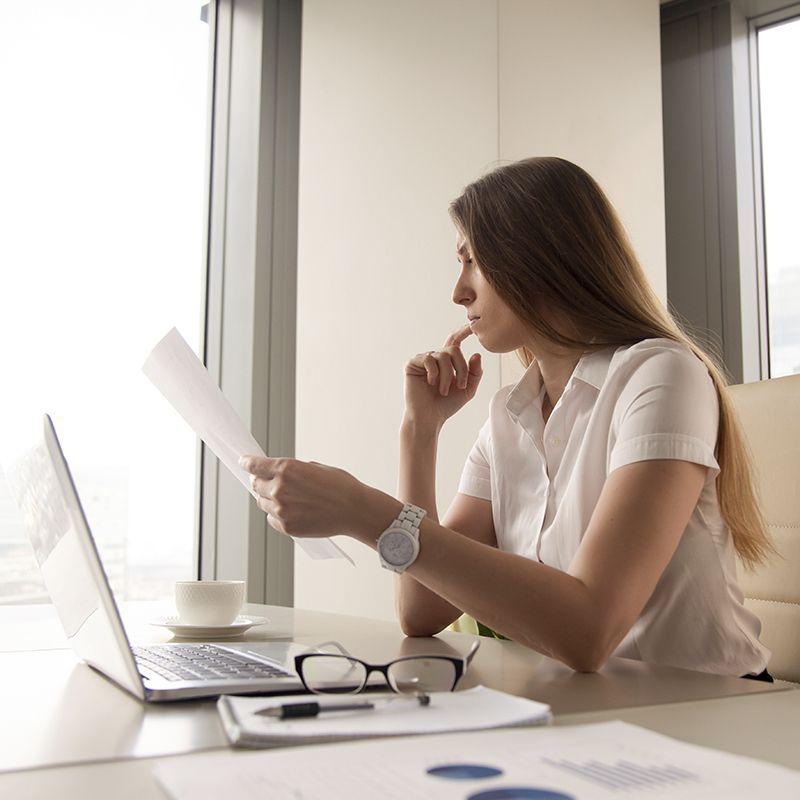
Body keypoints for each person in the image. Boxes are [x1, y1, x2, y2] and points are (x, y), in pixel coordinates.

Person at [240, 156, 775, 679]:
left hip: (706, 714)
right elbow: (423, 608)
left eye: (473, 260)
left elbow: (588, 631)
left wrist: (364, 512)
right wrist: (419, 434)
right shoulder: (510, 415)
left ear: (540, 259)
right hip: (595, 716)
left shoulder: (660, 376)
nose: (459, 291)